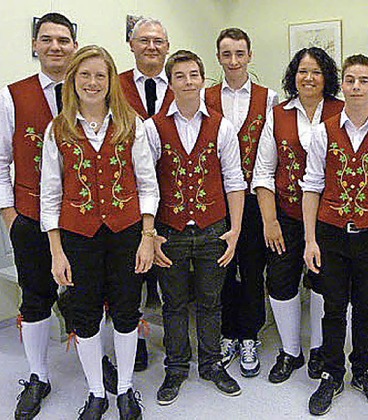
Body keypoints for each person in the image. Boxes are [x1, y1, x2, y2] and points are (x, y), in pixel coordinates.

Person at [40, 45, 159, 420]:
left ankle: (124, 388)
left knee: (126, 312)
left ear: (111, 83)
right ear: (73, 80)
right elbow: (50, 195)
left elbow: (148, 184)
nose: (92, 83)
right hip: (79, 236)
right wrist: (57, 252)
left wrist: (146, 235)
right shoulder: (57, 129)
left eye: (100, 76)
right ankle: (96, 392)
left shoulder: (131, 125)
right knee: (86, 316)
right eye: (85, 75)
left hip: (125, 232)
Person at [0, 12, 78, 420]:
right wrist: (11, 218)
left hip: (82, 219)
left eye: (63, 40)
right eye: (47, 39)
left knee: (90, 295)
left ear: (75, 45)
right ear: (35, 46)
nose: (55, 46)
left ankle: (97, 363)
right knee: (36, 298)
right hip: (31, 218)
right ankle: (38, 376)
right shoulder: (12, 96)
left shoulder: (91, 90)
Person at [302, 54, 368, 415]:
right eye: (350, 80)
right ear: (342, 86)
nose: (357, 87)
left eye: (364, 80)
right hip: (330, 235)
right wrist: (310, 240)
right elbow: (312, 186)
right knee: (331, 309)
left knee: (367, 307)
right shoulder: (323, 131)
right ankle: (332, 373)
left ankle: (365, 370)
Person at [144, 50, 246, 405]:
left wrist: (234, 230)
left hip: (212, 229)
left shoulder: (222, 126)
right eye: (180, 76)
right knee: (172, 304)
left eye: (193, 75)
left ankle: (212, 363)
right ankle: (175, 367)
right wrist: (150, 233)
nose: (188, 81)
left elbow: (234, 181)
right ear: (170, 83)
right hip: (168, 231)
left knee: (210, 301)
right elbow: (147, 184)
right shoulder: (152, 128)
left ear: (204, 79)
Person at [252, 47, 343, 384]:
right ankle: (291, 351)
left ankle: (320, 349)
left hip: (330, 218)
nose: (309, 78)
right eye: (303, 71)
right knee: (280, 281)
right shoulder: (278, 115)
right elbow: (263, 172)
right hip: (286, 215)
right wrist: (269, 220)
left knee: (324, 282)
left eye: (316, 72)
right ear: (293, 76)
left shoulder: (342, 110)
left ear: (327, 77)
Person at [203, 28, 279, 377]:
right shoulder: (203, 97)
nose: (233, 61)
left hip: (252, 198)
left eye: (239, 53)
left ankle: (249, 334)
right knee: (221, 271)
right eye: (226, 54)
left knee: (251, 270)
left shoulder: (269, 98)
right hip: (213, 201)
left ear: (249, 56)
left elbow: (273, 153)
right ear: (218, 57)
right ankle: (227, 333)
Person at [106, 16, 173, 377]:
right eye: (144, 40)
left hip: (177, 198)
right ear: (131, 45)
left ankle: (178, 341)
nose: (151, 46)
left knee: (170, 278)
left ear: (167, 46)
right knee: (131, 278)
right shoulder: (112, 87)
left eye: (158, 41)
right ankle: (138, 341)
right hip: (130, 201)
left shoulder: (183, 83)